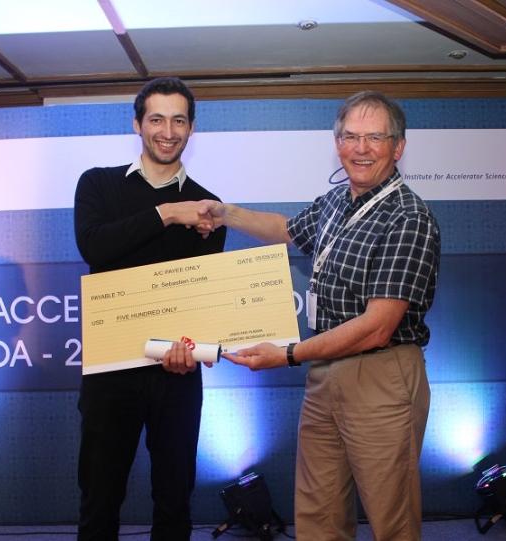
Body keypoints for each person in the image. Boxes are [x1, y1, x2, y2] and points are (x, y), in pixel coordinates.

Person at [197, 91, 440, 540]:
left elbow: (377, 326)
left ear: (398, 147)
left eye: (374, 137)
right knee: (318, 512)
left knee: (392, 519)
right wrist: (226, 213)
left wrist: (288, 354)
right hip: (325, 371)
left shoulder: (408, 217)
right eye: (350, 136)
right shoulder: (333, 203)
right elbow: (286, 230)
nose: (360, 148)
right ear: (337, 142)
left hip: (381, 373)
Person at [73, 77, 226, 541]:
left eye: (179, 119)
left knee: (175, 502)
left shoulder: (208, 207)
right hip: (110, 371)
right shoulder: (98, 183)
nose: (168, 130)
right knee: (99, 500)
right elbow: (96, 248)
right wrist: (167, 213)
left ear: (191, 129)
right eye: (156, 118)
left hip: (176, 373)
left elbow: (203, 294)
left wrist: (189, 347)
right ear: (138, 124)